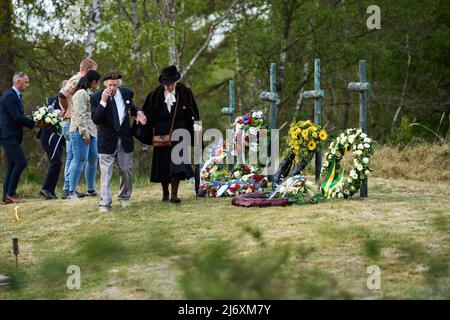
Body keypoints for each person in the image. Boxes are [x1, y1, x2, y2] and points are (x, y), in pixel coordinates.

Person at [142, 65, 200, 203]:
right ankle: (165, 193)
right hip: (161, 135)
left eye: (171, 84)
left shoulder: (185, 92)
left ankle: (174, 193)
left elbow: (193, 111)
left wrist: (196, 128)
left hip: (180, 133)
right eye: (166, 84)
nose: (168, 87)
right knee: (163, 165)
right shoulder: (154, 94)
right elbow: (147, 113)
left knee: (177, 165)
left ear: (176, 82)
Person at [91, 71, 147, 213]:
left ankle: (125, 197)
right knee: (106, 172)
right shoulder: (97, 97)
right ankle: (105, 203)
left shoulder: (127, 93)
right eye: (110, 85)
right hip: (107, 140)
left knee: (126, 169)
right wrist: (103, 102)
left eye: (115, 85)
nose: (112, 88)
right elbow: (96, 119)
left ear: (119, 84)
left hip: (125, 138)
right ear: (105, 84)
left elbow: (133, 108)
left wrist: (139, 113)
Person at [59, 58, 98, 199]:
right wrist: (66, 109)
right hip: (73, 122)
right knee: (75, 157)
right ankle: (69, 190)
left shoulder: (86, 86)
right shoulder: (78, 79)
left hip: (82, 123)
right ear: (87, 70)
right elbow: (62, 94)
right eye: (94, 71)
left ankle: (72, 189)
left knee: (77, 157)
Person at [0, 72, 36, 204]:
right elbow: (16, 117)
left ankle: (6, 197)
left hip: (12, 135)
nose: (27, 84)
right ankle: (10, 193)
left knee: (12, 165)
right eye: (25, 82)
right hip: (7, 135)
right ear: (18, 82)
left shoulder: (16, 95)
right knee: (21, 162)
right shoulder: (10, 96)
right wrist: (35, 123)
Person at [67, 70, 101, 201]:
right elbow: (79, 114)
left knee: (93, 158)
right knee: (79, 160)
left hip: (91, 131)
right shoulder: (81, 94)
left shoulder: (89, 93)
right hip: (79, 131)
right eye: (97, 82)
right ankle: (71, 192)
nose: (97, 85)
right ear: (94, 82)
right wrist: (83, 132)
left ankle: (91, 189)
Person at [38, 80, 68, 200]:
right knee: (56, 162)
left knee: (57, 162)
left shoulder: (71, 102)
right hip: (49, 137)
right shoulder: (52, 100)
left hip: (59, 138)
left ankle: (51, 191)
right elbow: (45, 118)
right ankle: (46, 189)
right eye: (67, 88)